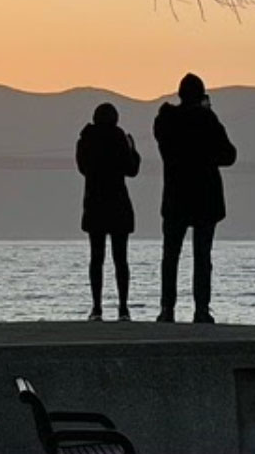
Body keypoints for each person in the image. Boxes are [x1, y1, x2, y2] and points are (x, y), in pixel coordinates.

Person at [153, 72, 238, 323]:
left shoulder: (165, 121)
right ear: (201, 96)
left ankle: (167, 309)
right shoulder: (206, 119)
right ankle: (201, 309)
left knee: (170, 256)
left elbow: (166, 149)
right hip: (204, 197)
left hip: (175, 195)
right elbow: (229, 155)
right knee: (202, 256)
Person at [75, 101, 140, 321]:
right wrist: (133, 150)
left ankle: (96, 309)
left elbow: (83, 168)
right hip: (118, 204)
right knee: (120, 259)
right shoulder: (119, 138)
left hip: (94, 204)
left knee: (96, 258)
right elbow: (132, 170)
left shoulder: (86, 140)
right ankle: (123, 309)